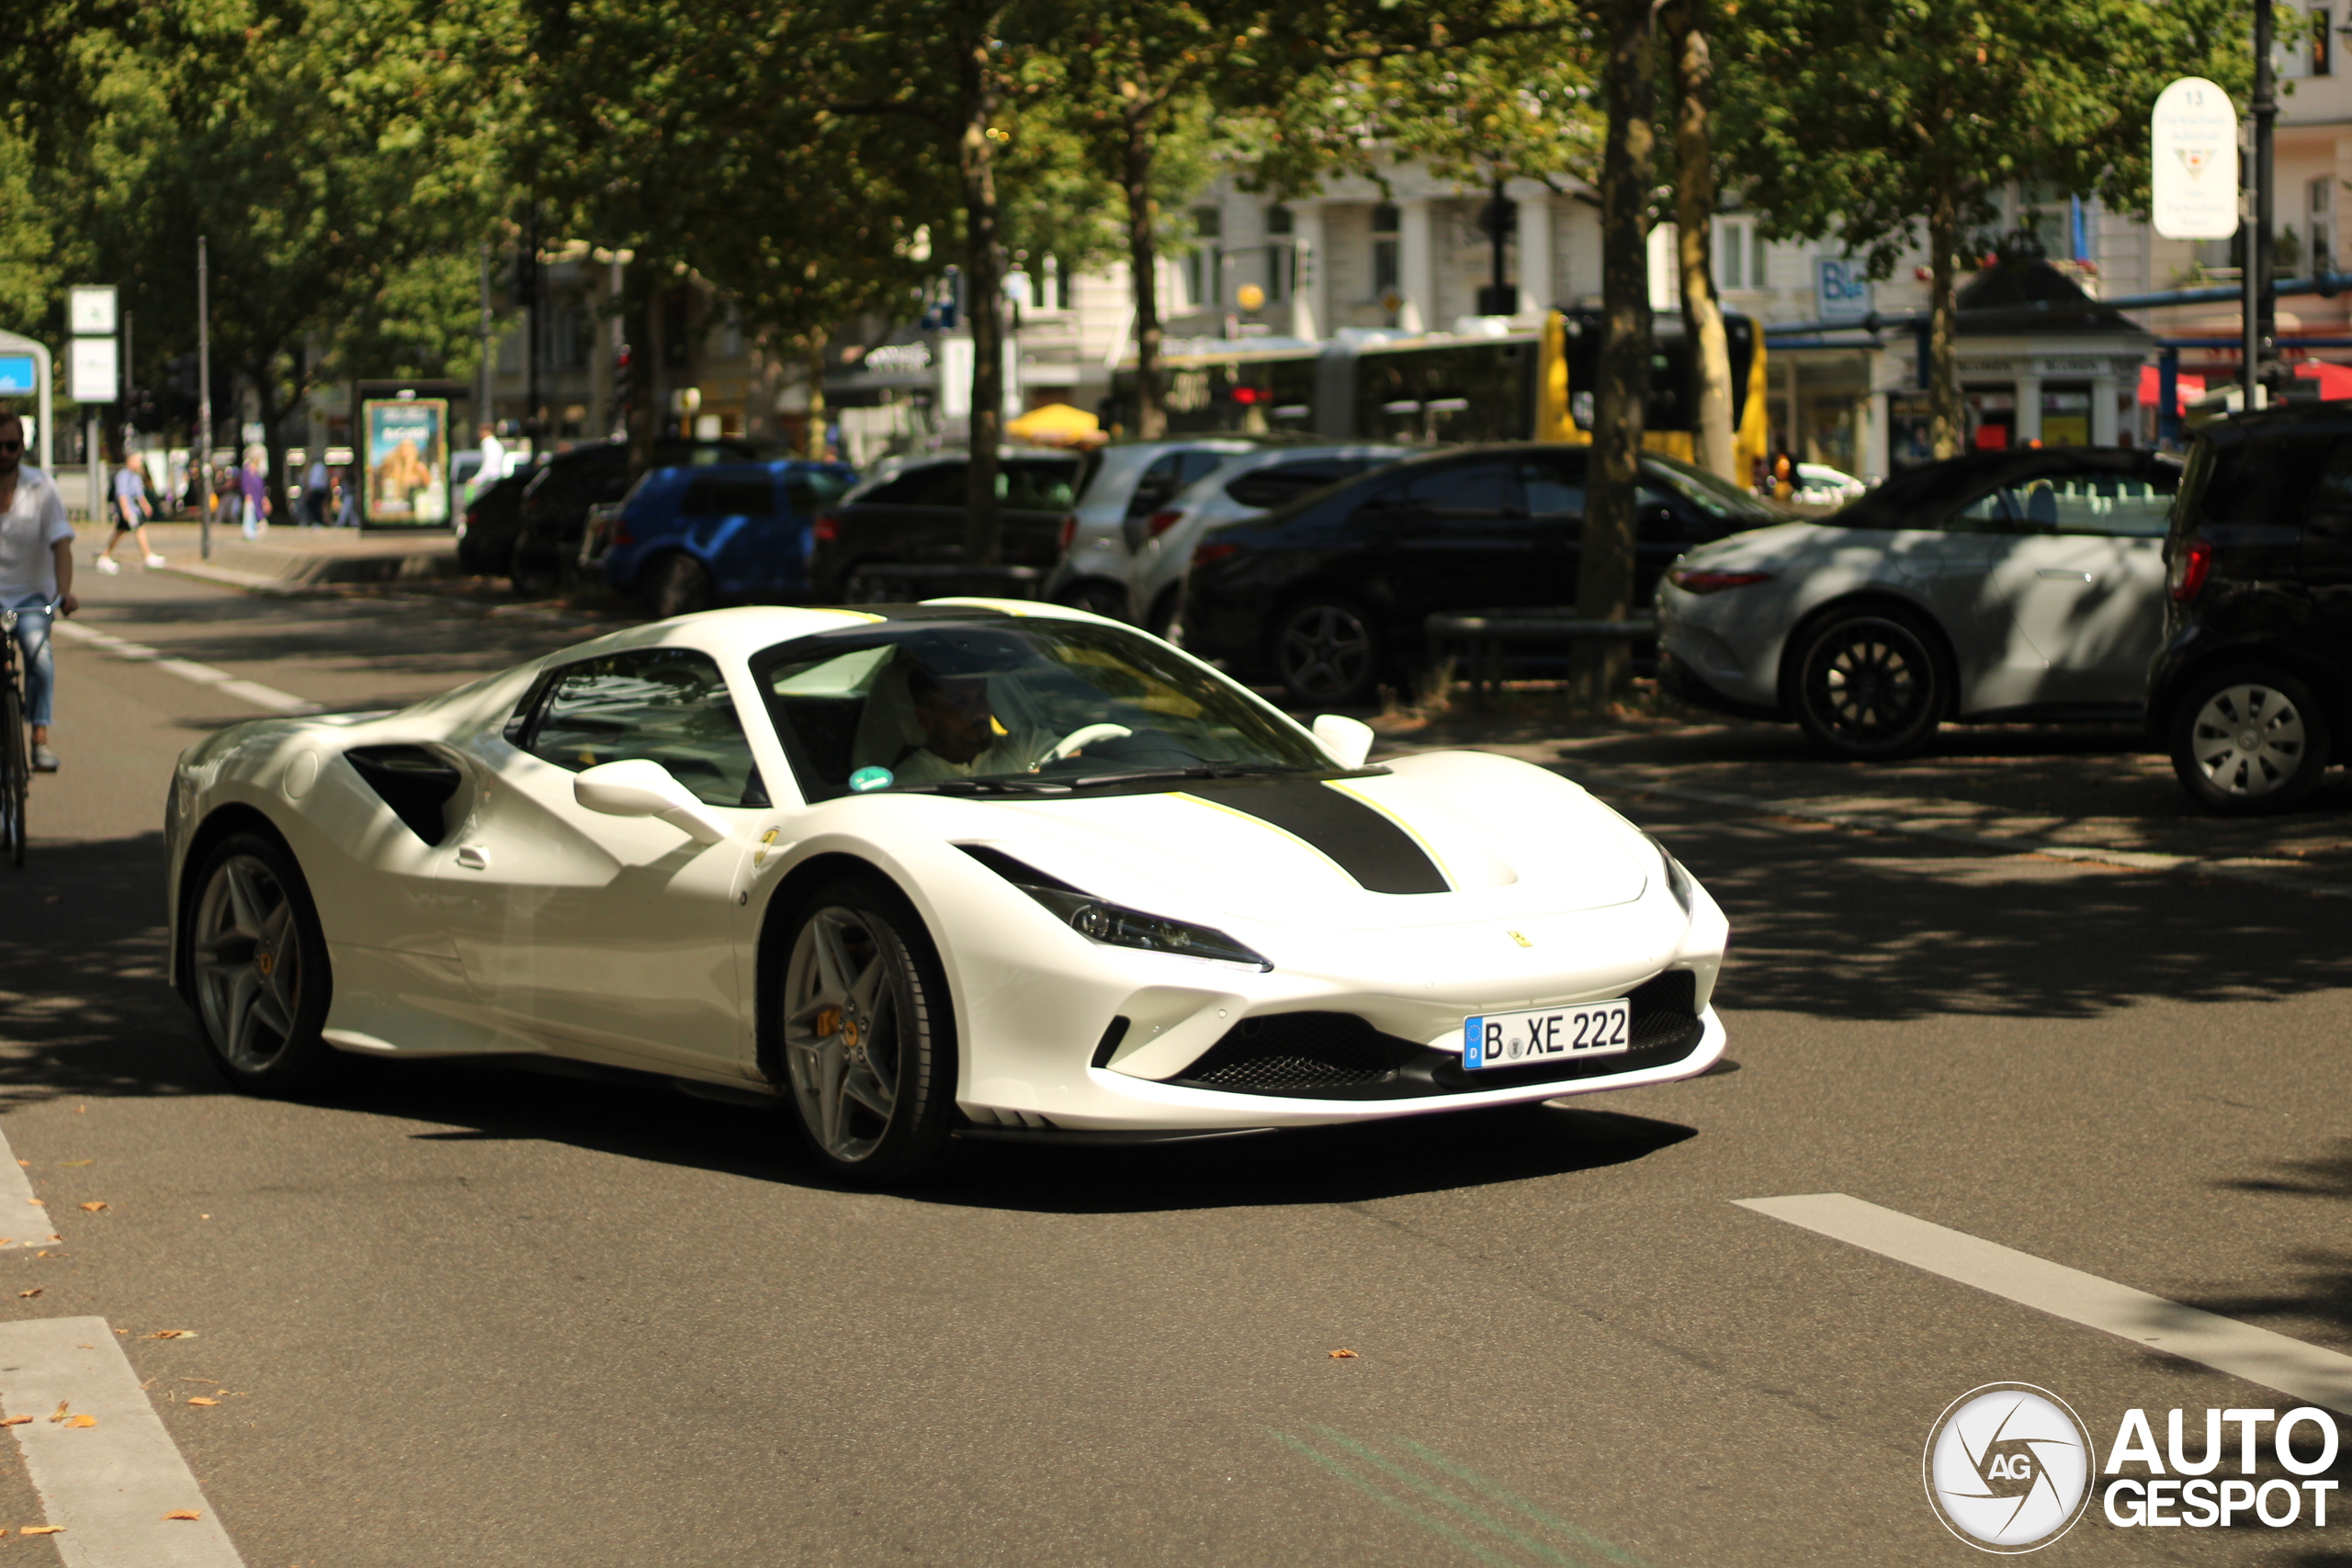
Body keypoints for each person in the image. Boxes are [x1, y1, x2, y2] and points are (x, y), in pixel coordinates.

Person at [0, 409, 77, 773]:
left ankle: (40, 739)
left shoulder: (42, 487)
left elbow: (61, 543)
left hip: (31, 595)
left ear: (22, 447)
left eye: (11, 445)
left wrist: (64, 593)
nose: (3, 452)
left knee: (38, 653)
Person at [890, 663, 1058, 785]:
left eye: (980, 698)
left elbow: (1072, 759)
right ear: (927, 719)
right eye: (962, 704)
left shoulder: (1027, 745)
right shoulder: (909, 784)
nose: (980, 712)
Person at [94, 451, 165, 574]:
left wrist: (145, 505)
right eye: (138, 461)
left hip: (134, 510)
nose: (140, 464)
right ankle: (147, 556)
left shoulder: (136, 476)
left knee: (124, 532)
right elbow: (122, 495)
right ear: (130, 461)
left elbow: (139, 494)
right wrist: (125, 510)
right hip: (127, 510)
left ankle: (105, 556)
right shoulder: (123, 475)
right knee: (134, 531)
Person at [238, 449, 270, 540]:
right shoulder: (247, 469)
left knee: (259, 519)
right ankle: (251, 534)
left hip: (258, 499)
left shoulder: (257, 471)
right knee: (253, 516)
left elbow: (261, 487)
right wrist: (247, 494)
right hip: (252, 499)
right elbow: (245, 484)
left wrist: (265, 499)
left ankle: (253, 534)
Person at [303, 455, 330, 525]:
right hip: (321, 489)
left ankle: (318, 520)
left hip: (316, 489)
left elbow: (314, 480)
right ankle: (318, 520)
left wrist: (310, 488)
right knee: (318, 505)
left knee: (313, 505)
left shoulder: (316, 467)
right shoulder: (322, 467)